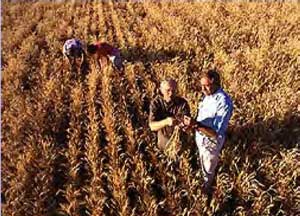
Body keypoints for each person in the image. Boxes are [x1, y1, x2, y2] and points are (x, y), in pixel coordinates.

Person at [184, 69, 233, 193]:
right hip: (201, 137)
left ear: (216, 83)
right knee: (202, 165)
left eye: (206, 86)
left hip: (211, 143)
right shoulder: (208, 96)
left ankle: (206, 194)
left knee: (207, 172)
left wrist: (195, 125)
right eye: (201, 85)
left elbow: (215, 133)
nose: (202, 89)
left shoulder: (223, 102)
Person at [149, 78, 191, 151]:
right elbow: (152, 126)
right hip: (163, 147)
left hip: (180, 146)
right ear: (161, 90)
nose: (171, 93)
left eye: (173, 91)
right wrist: (166, 122)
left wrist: (184, 125)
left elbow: (187, 126)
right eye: (168, 90)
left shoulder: (182, 103)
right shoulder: (156, 103)